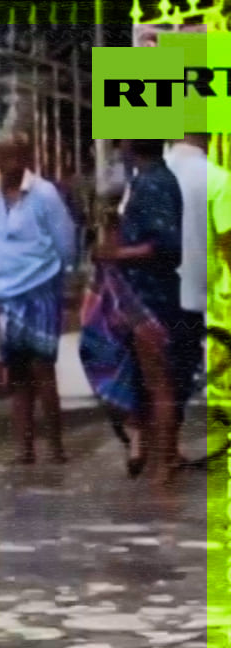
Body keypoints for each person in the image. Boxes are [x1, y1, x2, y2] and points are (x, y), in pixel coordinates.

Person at [79, 139, 187, 484]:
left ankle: (165, 465)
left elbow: (168, 245)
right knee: (149, 382)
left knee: (159, 384)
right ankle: (160, 460)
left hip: (151, 299)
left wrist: (115, 255)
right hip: (142, 296)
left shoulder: (154, 182)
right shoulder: (144, 180)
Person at [0, 136, 78, 465]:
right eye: (1, 157)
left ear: (25, 157)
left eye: (14, 156)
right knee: (17, 375)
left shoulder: (44, 195)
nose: (8, 164)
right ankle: (24, 449)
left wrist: (64, 285)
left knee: (43, 371)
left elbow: (66, 243)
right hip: (7, 294)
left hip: (40, 289)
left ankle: (56, 446)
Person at [165, 133, 210, 444]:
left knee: (161, 376)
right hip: (200, 295)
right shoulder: (216, 177)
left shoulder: (152, 173)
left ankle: (163, 450)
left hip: (158, 294)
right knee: (183, 367)